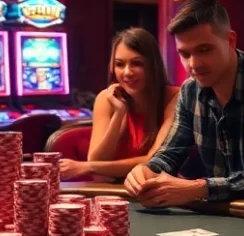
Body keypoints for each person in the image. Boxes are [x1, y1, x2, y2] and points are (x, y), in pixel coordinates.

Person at [123, 0, 244, 207]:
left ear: (230, 40)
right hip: (229, 215)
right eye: (184, 54)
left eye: (204, 49)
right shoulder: (190, 91)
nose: (193, 64)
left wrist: (199, 188)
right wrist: (147, 170)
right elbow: (169, 155)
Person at [59, 28, 179, 181]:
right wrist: (119, 113)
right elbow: (97, 160)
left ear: (152, 65)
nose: (127, 72)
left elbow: (154, 161)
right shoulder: (106, 98)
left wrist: (86, 167)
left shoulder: (175, 97)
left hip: (156, 190)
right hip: (112, 191)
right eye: (120, 64)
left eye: (137, 63)